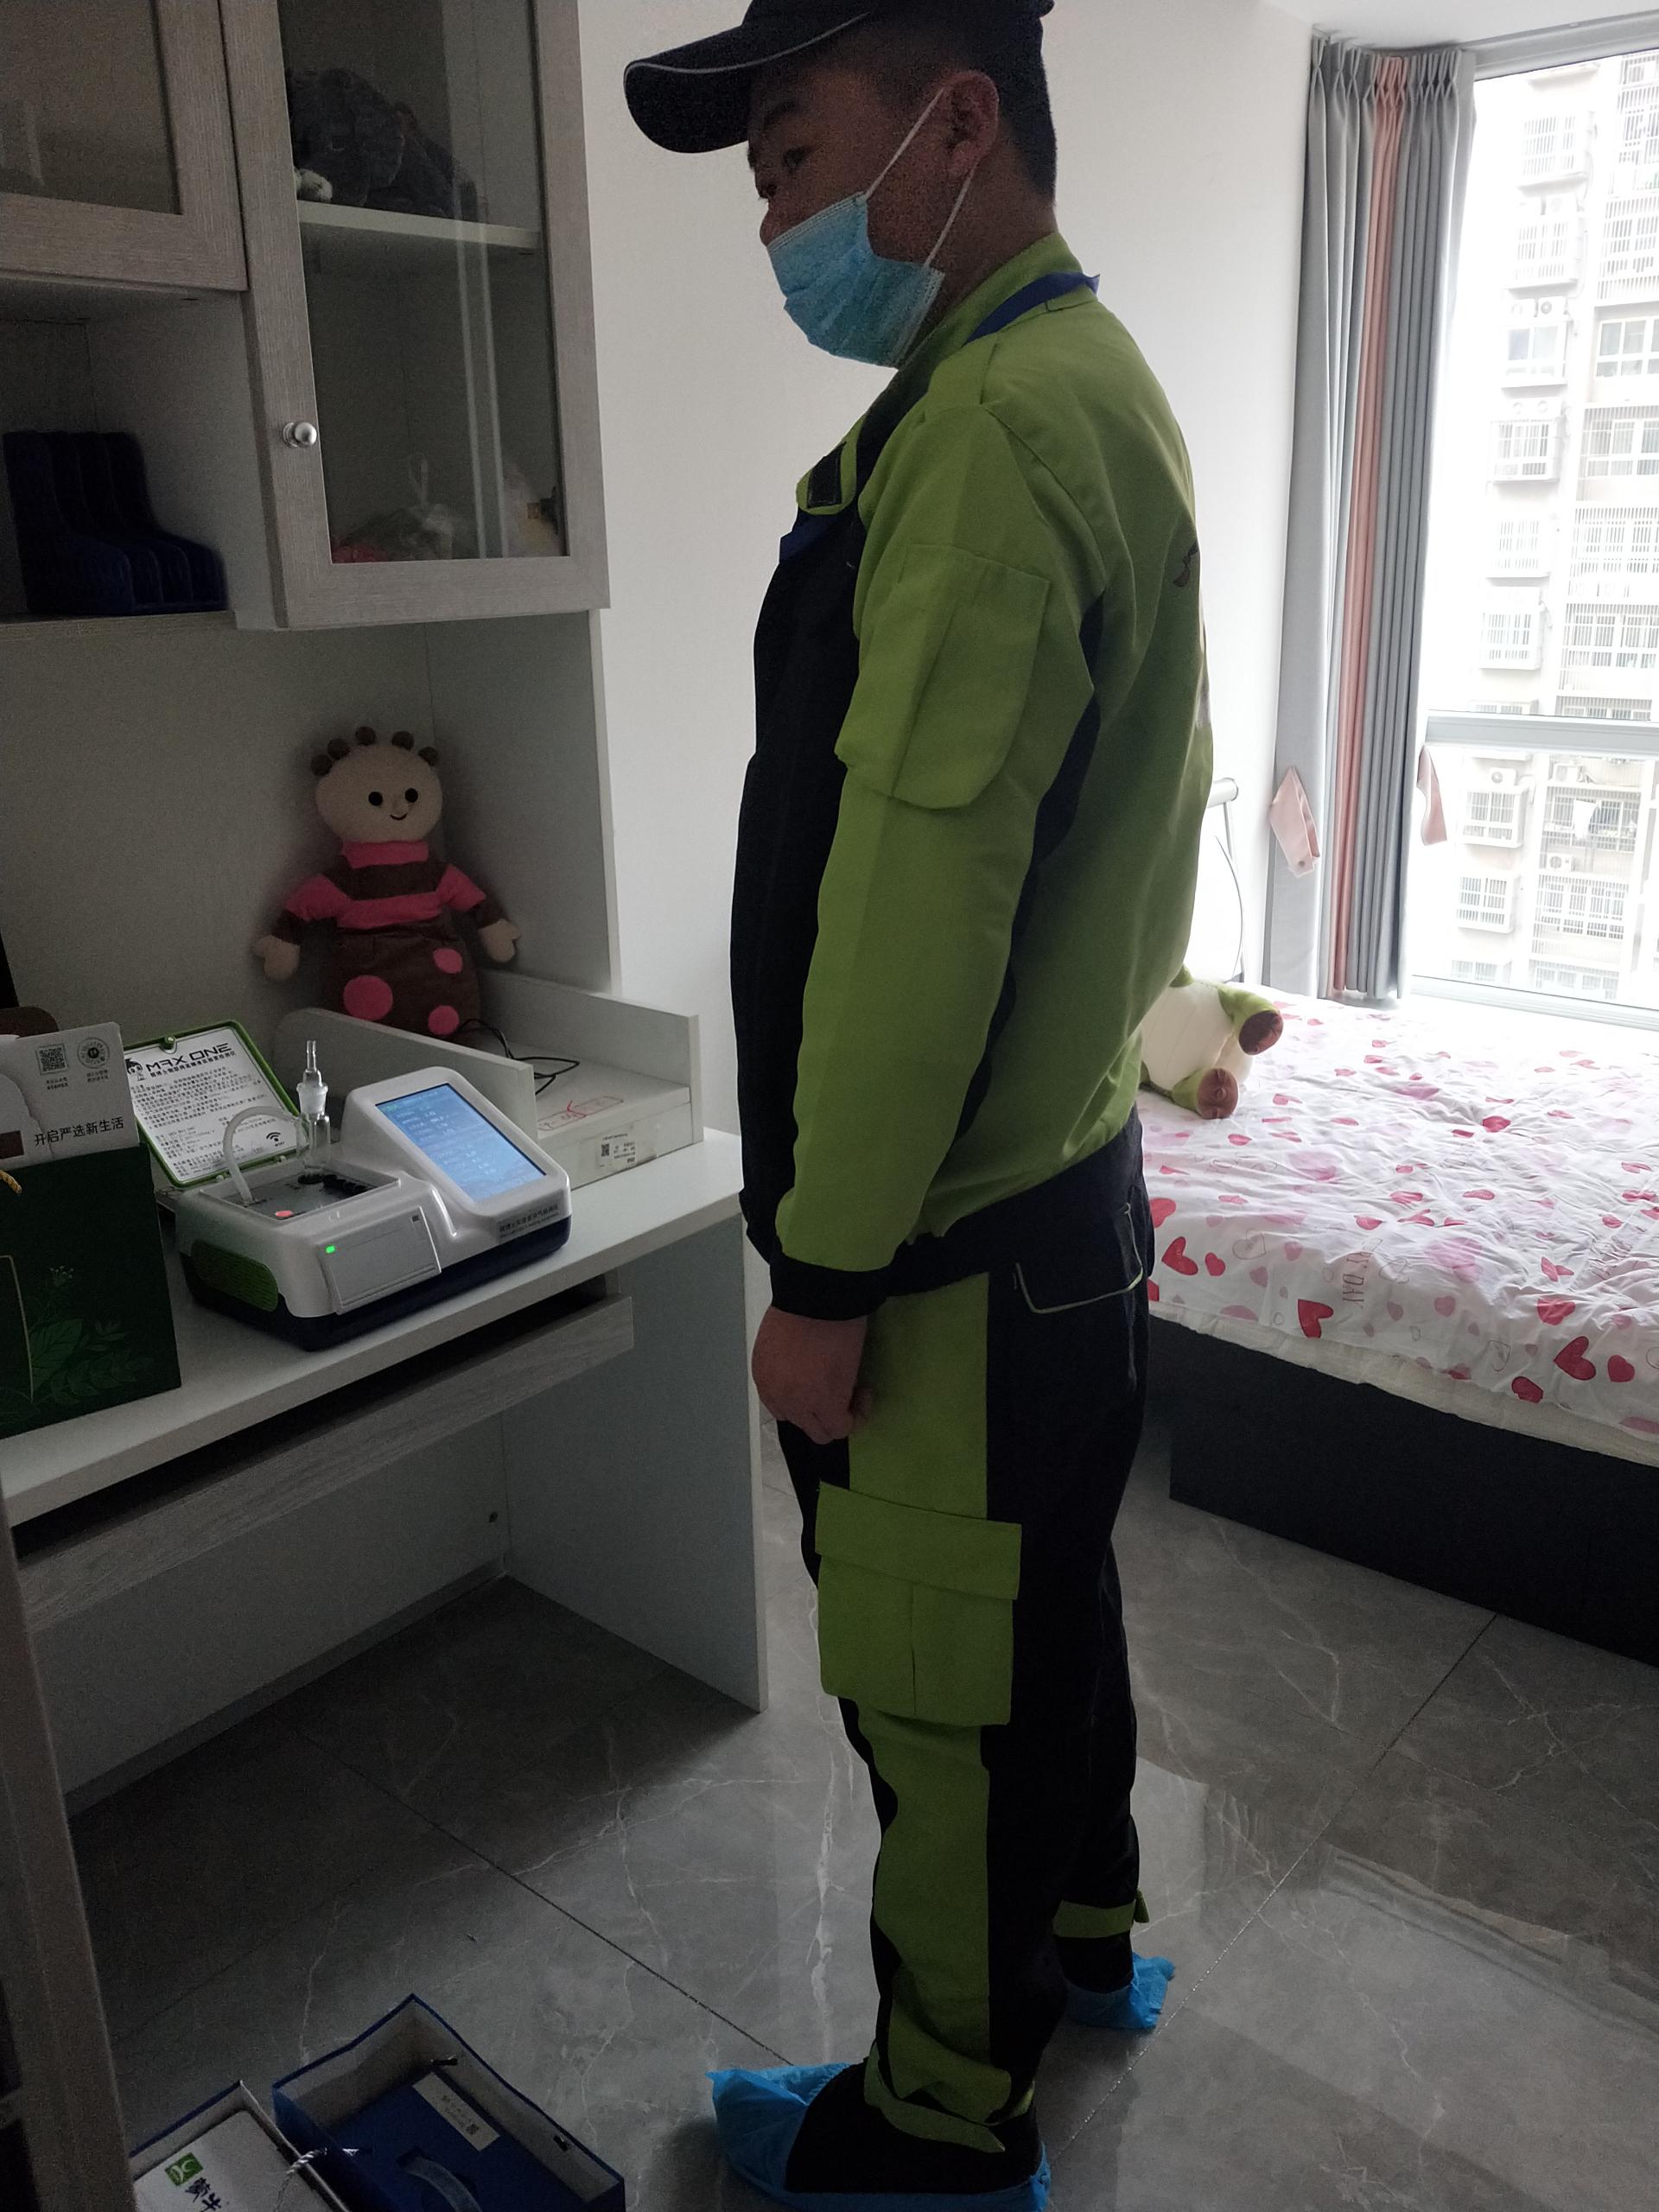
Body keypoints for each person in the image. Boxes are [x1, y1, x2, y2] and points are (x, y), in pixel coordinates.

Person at [626, 4, 1211, 2205]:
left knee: (937, 1690)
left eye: (792, 155)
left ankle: (942, 2128)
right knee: (1048, 1600)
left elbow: (912, 910)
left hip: (951, 1243)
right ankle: (1093, 1938)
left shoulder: (985, 433)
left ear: (957, 123)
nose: (773, 217)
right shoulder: (1086, 376)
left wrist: (826, 1271)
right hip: (1073, 1181)